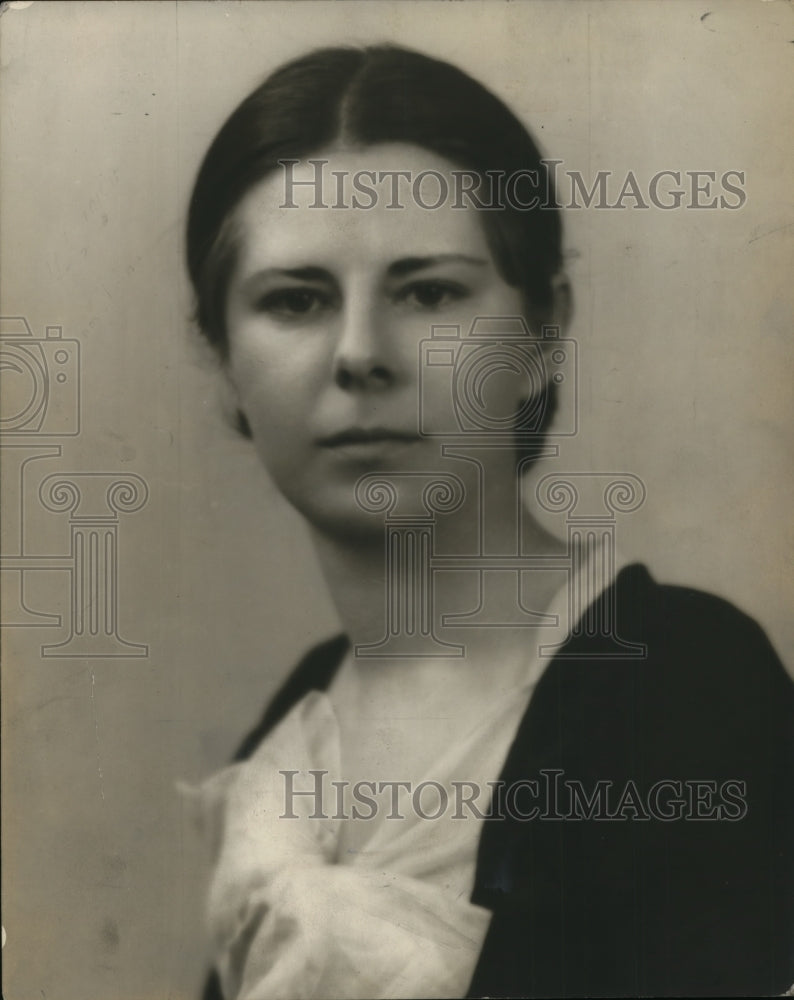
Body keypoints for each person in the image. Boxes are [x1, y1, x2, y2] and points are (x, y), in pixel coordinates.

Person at [183, 45, 794, 999]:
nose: (359, 355)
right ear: (224, 362)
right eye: (295, 301)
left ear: (544, 336)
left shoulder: (679, 688)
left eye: (429, 292)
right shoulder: (297, 724)